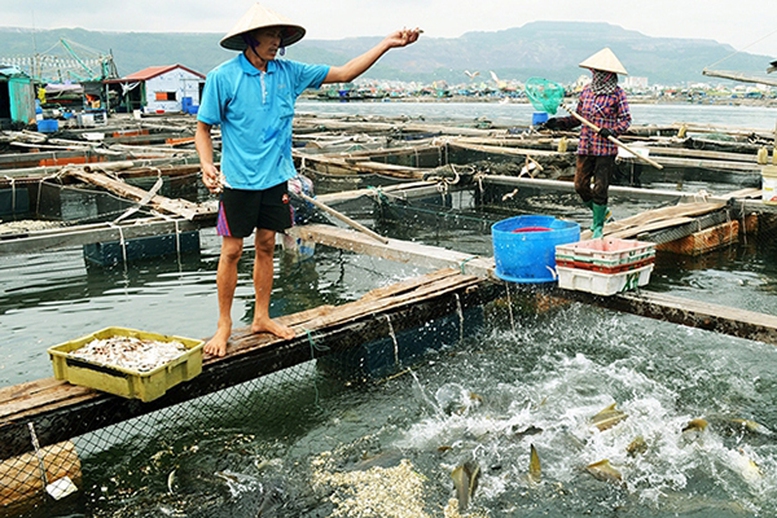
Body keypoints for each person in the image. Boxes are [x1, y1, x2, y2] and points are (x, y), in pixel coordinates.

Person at [195, 3, 420, 357]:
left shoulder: (290, 73)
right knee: (233, 250)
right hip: (237, 180)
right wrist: (207, 164)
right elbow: (203, 128)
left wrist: (386, 43)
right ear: (249, 39)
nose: (277, 41)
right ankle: (223, 325)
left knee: (267, 244)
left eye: (280, 36)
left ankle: (262, 317)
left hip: (275, 178)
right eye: (270, 34)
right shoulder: (223, 77)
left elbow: (345, 73)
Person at [542, 48, 632, 238]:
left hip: (605, 149)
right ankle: (603, 213)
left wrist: (612, 130)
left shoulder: (617, 94)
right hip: (586, 146)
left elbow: (625, 120)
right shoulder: (587, 91)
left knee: (600, 188)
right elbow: (578, 118)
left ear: (608, 75)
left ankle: (597, 226)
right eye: (594, 72)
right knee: (580, 185)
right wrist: (560, 123)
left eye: (600, 73)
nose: (596, 75)